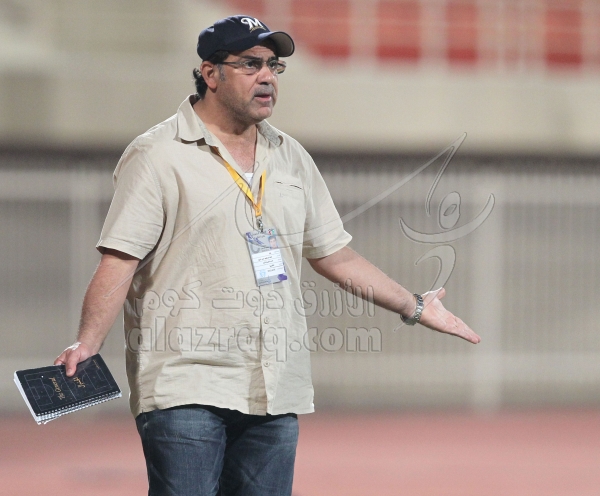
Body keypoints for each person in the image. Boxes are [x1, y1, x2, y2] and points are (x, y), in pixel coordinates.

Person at [55, 14, 480, 496]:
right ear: (210, 73)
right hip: (186, 384)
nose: (267, 77)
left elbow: (334, 254)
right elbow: (121, 259)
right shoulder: (157, 154)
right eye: (250, 64)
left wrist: (415, 305)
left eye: (274, 66)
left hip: (274, 389)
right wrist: (87, 342)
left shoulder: (291, 156)